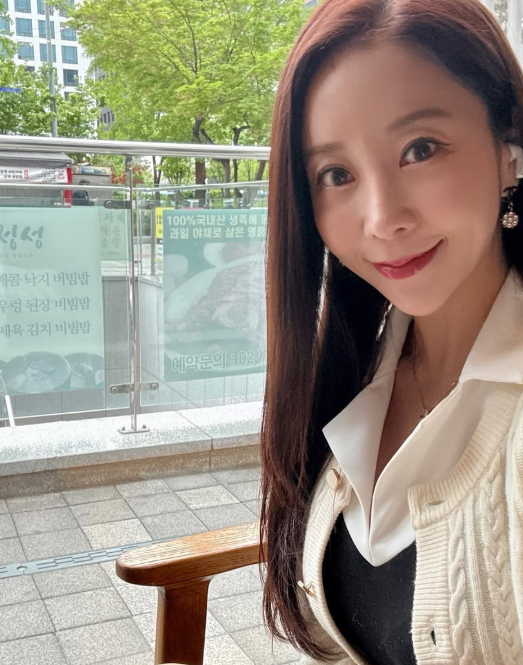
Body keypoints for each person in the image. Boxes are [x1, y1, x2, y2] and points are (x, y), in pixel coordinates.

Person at [259, 1, 523, 663]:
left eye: (419, 149)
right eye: (336, 174)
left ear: (508, 151)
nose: (382, 219)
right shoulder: (360, 362)